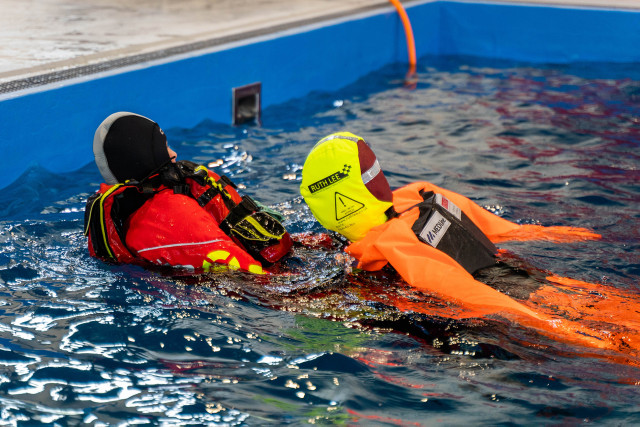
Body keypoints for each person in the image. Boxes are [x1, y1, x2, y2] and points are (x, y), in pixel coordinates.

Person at [299, 131, 602, 322]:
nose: (379, 176)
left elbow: (470, 294)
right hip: (527, 273)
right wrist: (559, 235)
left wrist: (551, 326)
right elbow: (505, 229)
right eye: (372, 172)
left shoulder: (388, 246)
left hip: (513, 300)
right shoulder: (420, 195)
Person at [84, 112, 292, 274]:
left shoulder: (131, 211)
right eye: (163, 147)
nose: (174, 154)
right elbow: (254, 278)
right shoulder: (170, 214)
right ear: (144, 156)